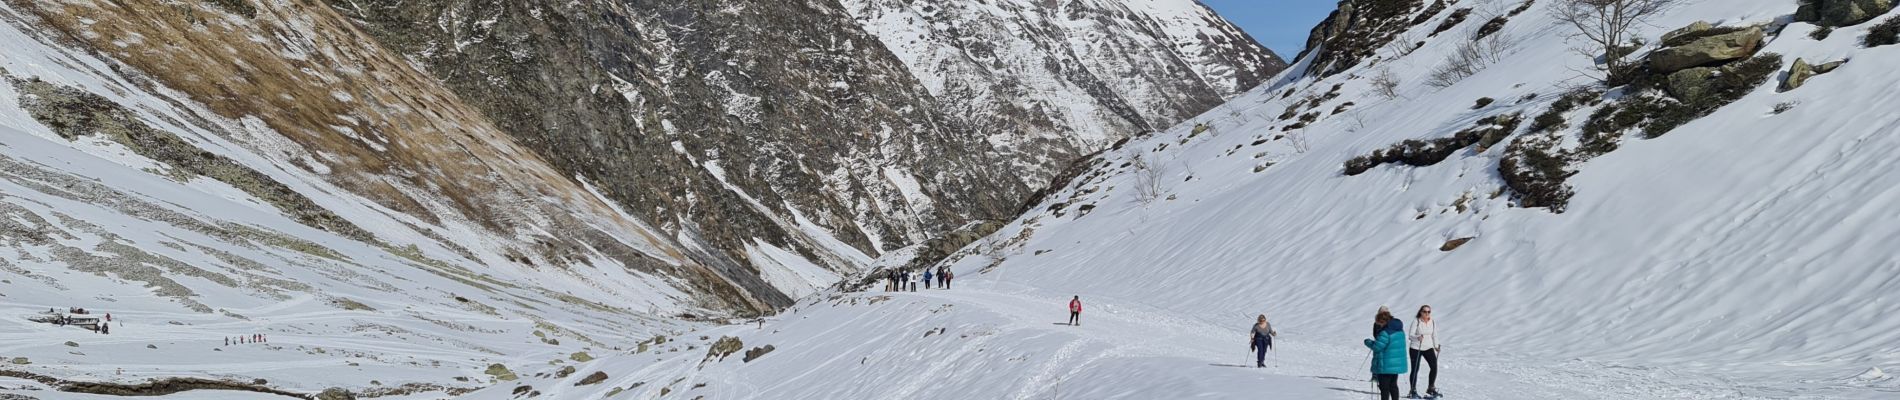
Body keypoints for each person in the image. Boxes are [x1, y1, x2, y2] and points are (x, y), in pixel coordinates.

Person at [1365, 308, 1408, 400]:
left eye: (1379, 323)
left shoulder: (1385, 332)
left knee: (1384, 388)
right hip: (1395, 364)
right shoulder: (1400, 330)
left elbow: (1377, 347)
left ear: (1382, 321)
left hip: (1386, 364)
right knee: (1393, 386)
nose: (1379, 325)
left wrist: (1368, 342)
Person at [1409, 305, 1441, 398]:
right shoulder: (1416, 321)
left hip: (1428, 347)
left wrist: (1436, 346)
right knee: (1415, 369)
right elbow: (1410, 335)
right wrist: (1417, 337)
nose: (1427, 313)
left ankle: (1431, 388)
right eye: (1424, 311)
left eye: (1428, 312)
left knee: (1434, 367)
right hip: (1416, 347)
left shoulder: (1432, 321)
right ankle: (1413, 390)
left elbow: (1434, 335)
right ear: (1420, 312)